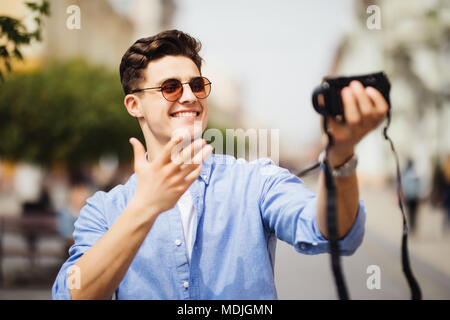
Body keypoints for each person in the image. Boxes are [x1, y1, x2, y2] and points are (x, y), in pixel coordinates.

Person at [52, 30, 390, 299]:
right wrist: (145, 207)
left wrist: (341, 155)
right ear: (133, 105)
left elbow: (334, 232)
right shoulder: (104, 210)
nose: (189, 96)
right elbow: (74, 294)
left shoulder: (256, 180)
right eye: (170, 87)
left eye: (196, 85)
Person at [401, 159, 421, 234]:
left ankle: (411, 226)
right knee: (414, 213)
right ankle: (414, 226)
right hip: (415, 197)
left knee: (410, 213)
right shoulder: (416, 173)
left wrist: (403, 195)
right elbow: (419, 186)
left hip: (409, 197)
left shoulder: (406, 174)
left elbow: (404, 185)